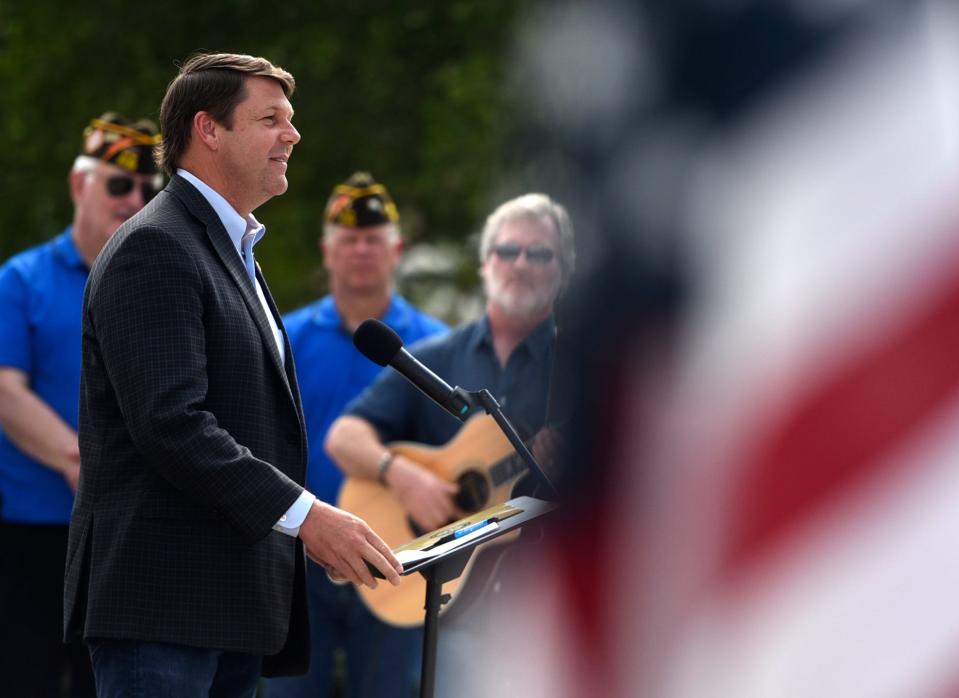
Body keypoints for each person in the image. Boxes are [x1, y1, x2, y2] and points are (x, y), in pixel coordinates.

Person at [62, 52, 401, 697]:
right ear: (208, 130)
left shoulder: (229, 247)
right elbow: (172, 424)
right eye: (270, 118)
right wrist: (308, 519)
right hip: (163, 609)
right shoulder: (155, 246)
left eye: (291, 119)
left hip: (232, 607)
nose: (292, 135)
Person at [325, 192, 575, 696]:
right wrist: (403, 474)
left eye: (539, 253)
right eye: (508, 251)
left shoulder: (582, 363)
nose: (520, 264)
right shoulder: (434, 355)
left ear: (564, 269)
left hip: (547, 609)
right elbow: (344, 436)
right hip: (452, 613)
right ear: (486, 262)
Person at [268, 172, 448, 698]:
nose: (361, 250)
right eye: (349, 239)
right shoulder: (283, 338)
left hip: (401, 560)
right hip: (297, 558)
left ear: (398, 249)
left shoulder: (434, 345)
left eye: (374, 239)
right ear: (327, 250)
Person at [0, 112, 161, 698]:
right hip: (34, 531)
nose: (133, 198)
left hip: (125, 536)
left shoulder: (163, 278)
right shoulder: (21, 281)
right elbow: (4, 390)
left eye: (147, 188)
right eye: (118, 184)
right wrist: (81, 462)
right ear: (78, 185)